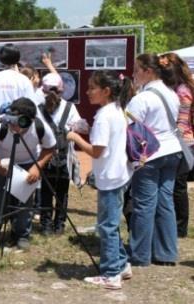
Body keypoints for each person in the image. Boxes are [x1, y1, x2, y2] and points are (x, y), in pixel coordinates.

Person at [67, 70, 133, 289]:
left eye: (92, 88)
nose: (87, 92)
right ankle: (121, 264)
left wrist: (75, 137)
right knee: (110, 225)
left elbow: (97, 152)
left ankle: (111, 273)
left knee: (107, 226)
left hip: (110, 178)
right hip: (117, 173)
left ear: (106, 91)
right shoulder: (116, 110)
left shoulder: (104, 115)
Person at [126, 53, 182, 266]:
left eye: (136, 70)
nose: (134, 74)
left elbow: (129, 129)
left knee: (144, 205)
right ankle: (167, 253)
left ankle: (140, 255)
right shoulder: (171, 93)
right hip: (172, 151)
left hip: (149, 155)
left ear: (148, 71)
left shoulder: (142, 98)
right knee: (165, 202)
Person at [0, 98, 55, 249]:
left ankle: (21, 234)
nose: (14, 125)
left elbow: (50, 147)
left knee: (24, 202)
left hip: (28, 163)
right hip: (3, 163)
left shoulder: (40, 127)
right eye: (13, 120)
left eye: (20, 122)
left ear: (31, 120)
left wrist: (37, 167)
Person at [38, 73, 83, 235]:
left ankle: (45, 224)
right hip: (64, 156)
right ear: (62, 90)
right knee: (62, 192)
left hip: (44, 155)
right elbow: (79, 126)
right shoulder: (70, 108)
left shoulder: (38, 108)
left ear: (43, 90)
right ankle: (60, 224)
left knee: (45, 191)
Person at [159, 52, 194, 238]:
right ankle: (177, 224)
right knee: (175, 185)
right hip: (183, 142)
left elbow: (182, 121)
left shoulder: (182, 91)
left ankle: (180, 227)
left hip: (183, 143)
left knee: (178, 186)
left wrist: (173, 139)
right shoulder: (182, 88)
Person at [0, 43, 35, 121]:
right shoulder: (23, 80)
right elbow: (31, 105)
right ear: (18, 58)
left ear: (1, 59)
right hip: (15, 125)